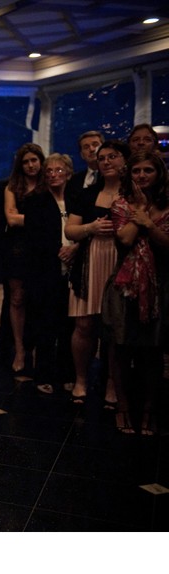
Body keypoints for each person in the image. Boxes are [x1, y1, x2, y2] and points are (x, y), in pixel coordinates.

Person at [104, 151, 169, 435]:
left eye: (148, 171)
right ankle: (123, 408)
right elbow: (126, 238)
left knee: (152, 352)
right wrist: (140, 211)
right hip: (124, 285)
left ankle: (149, 410)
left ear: (159, 174)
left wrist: (147, 221)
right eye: (137, 171)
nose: (142, 176)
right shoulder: (121, 204)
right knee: (120, 348)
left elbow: (166, 245)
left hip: (159, 286)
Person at [64, 140, 130, 407]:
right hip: (89, 262)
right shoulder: (87, 193)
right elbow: (70, 230)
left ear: (124, 160)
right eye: (101, 158)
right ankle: (81, 380)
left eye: (112, 156)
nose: (106, 162)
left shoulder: (133, 193)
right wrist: (91, 228)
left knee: (114, 329)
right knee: (84, 325)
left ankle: (112, 385)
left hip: (120, 263)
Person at [21, 153, 78, 393]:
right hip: (45, 270)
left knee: (70, 326)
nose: (54, 174)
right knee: (45, 324)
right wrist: (59, 251)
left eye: (59, 170)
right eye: (49, 171)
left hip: (75, 270)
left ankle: (68, 373)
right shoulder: (36, 200)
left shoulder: (78, 198)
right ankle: (42, 374)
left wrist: (75, 249)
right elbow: (33, 237)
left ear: (68, 172)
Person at [3, 143, 45, 374]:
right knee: (17, 299)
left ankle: (40, 350)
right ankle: (19, 349)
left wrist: (25, 218)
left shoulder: (48, 185)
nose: (30, 165)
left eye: (34, 160)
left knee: (40, 301)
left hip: (42, 249)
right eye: (26, 161)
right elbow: (11, 219)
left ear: (41, 161)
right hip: (17, 249)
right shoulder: (12, 187)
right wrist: (40, 220)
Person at [66, 130, 104, 198]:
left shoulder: (113, 177)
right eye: (86, 147)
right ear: (82, 155)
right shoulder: (73, 181)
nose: (92, 149)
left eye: (95, 145)